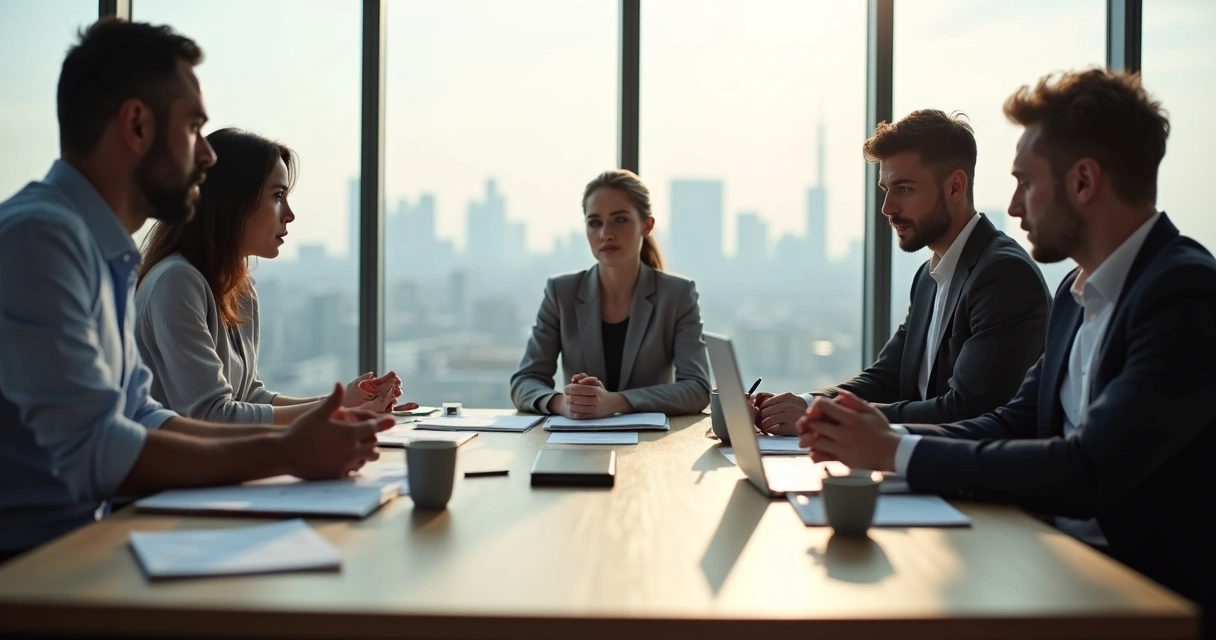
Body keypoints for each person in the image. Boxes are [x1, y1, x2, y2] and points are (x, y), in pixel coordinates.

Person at [796, 69, 1216, 637]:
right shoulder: (1076, 296)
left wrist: (895, 452)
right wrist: (881, 440)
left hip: (1142, 595)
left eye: (1024, 182)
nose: (1013, 206)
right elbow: (1014, 420)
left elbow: (1087, 467)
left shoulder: (1184, 294)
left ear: (1084, 182)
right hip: (1053, 558)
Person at [0, 19, 393, 560]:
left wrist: (300, 436)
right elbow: (100, 453)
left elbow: (142, 416)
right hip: (35, 570)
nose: (206, 157)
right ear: (136, 124)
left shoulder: (99, 250)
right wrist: (285, 452)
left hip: (83, 550)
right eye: (192, 130)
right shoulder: (40, 239)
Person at [753, 110, 1050, 434]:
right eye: (886, 189)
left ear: (954, 187)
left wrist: (826, 419)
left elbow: (968, 410)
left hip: (965, 479)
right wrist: (803, 405)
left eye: (904, 189)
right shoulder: (929, 276)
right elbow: (887, 378)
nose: (888, 208)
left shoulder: (1003, 276)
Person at [135, 127, 400, 424]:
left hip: (219, 465)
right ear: (232, 201)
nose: (289, 214)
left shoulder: (240, 288)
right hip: (168, 469)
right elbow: (211, 415)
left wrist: (343, 402)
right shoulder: (176, 282)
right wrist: (338, 410)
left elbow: (248, 396)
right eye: (278, 196)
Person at [510, 169, 711, 418]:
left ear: (646, 225)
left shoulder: (677, 294)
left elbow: (697, 388)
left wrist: (616, 402)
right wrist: (565, 403)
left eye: (620, 219)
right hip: (578, 447)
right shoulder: (561, 292)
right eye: (595, 222)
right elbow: (524, 381)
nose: (606, 233)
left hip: (650, 447)